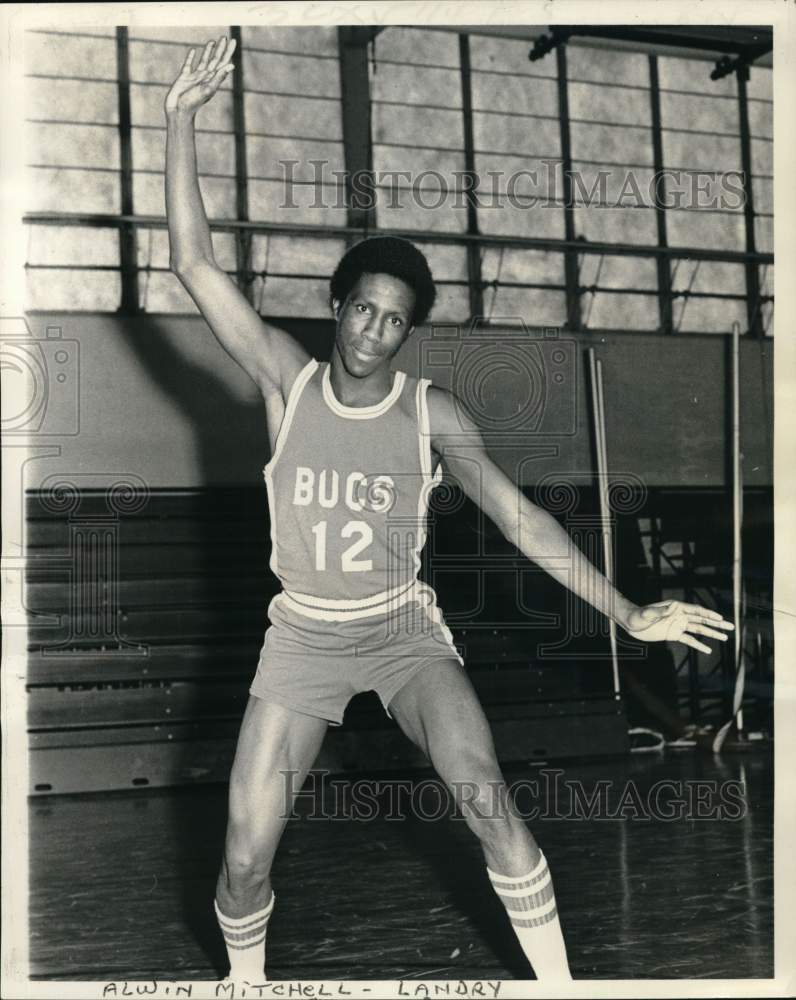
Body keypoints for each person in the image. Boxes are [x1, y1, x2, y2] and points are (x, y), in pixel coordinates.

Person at [164, 37, 734, 984]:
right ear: (337, 306)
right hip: (303, 634)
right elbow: (193, 264)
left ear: (406, 332)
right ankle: (246, 984)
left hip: (401, 632)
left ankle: (560, 987)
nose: (374, 331)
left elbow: (521, 521)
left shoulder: (430, 413)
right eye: (363, 309)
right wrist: (180, 120)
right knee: (244, 855)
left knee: (486, 800)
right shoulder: (285, 382)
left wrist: (628, 611)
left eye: (395, 319)